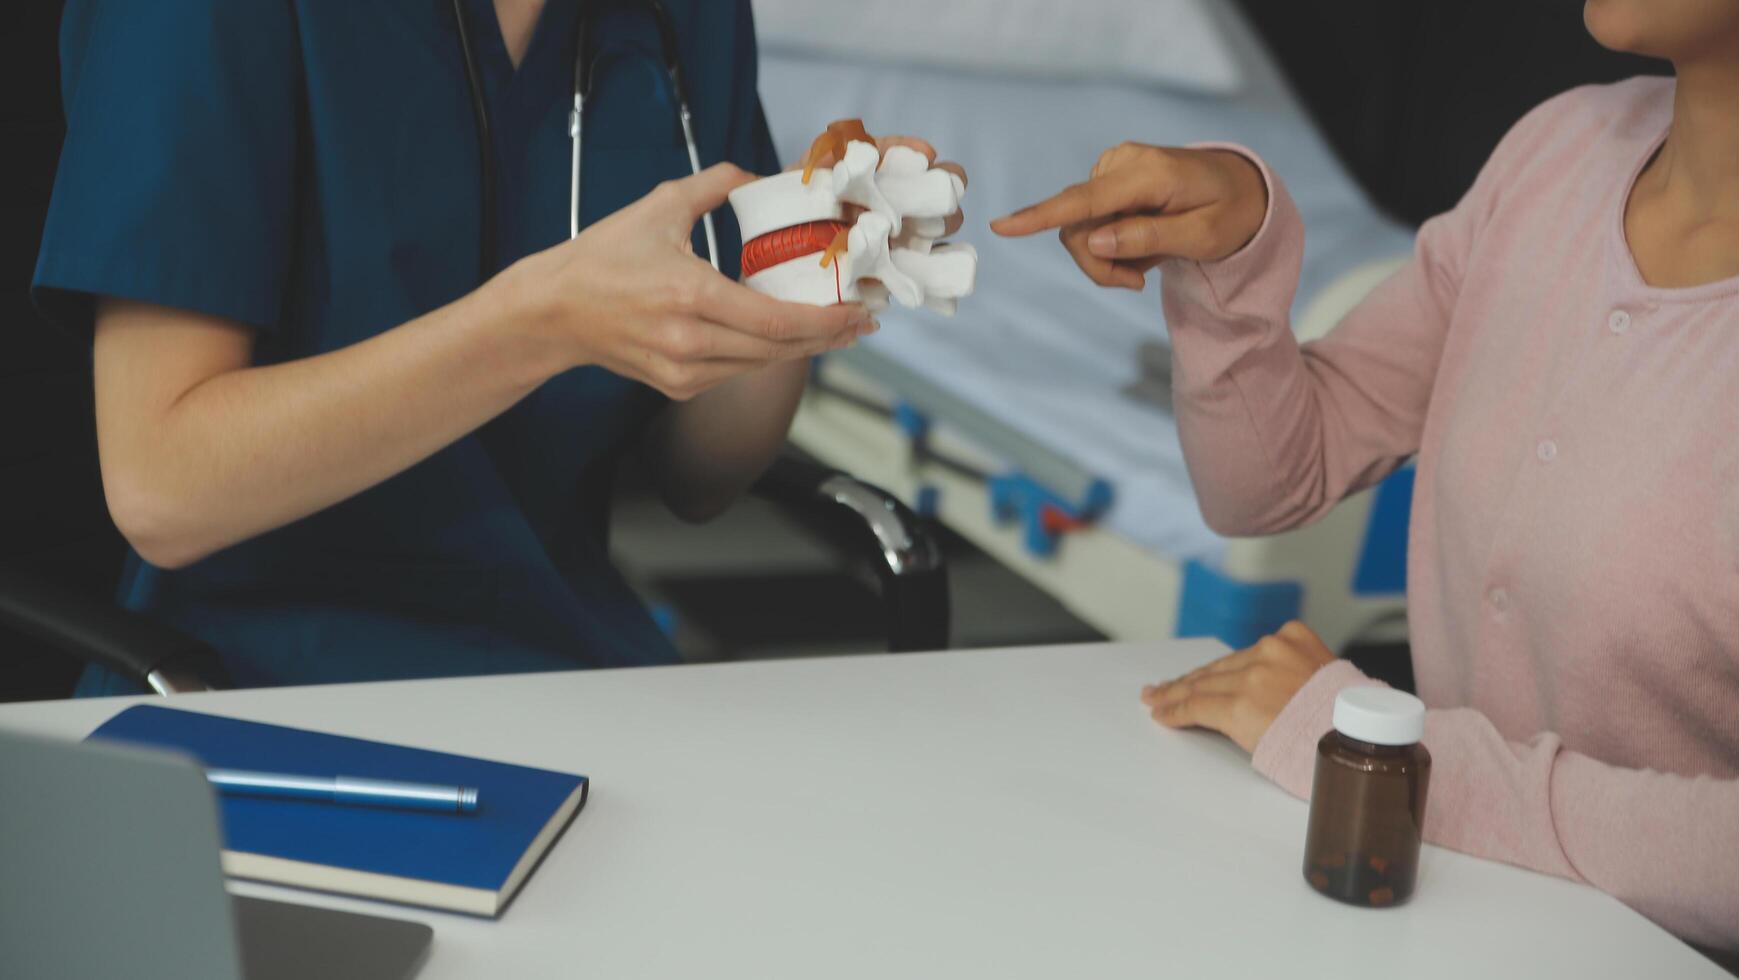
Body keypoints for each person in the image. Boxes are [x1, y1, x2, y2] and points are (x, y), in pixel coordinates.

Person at [992, 0, 1739, 951]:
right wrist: (1232, 255)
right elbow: (1269, 483)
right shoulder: (1560, 153)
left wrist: (1388, 759)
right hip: (1450, 918)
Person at [31, 0, 958, 694]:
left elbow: (700, 478)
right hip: (256, 684)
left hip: (570, 673)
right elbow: (164, 486)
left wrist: (805, 280)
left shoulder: (687, 15)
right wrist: (539, 323)